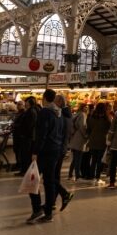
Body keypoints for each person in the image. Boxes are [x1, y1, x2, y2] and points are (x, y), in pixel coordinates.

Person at [27, 89, 70, 224]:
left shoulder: (45, 112)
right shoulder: (59, 113)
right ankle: (48, 214)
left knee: (32, 180)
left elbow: (42, 134)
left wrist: (35, 152)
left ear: (45, 98)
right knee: (50, 182)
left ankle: (36, 209)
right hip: (55, 151)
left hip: (44, 151)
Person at [12, 96, 38, 176]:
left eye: (26, 102)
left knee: (25, 155)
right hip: (27, 136)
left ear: (29, 103)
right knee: (24, 155)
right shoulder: (30, 111)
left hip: (27, 137)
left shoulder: (31, 112)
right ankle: (23, 170)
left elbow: (28, 125)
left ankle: (24, 171)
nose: (25, 104)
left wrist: (19, 128)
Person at [86, 102, 110, 182]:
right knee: (100, 160)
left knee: (93, 160)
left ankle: (92, 175)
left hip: (92, 141)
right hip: (102, 141)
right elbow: (110, 129)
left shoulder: (91, 118)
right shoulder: (106, 119)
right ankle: (97, 176)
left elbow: (88, 129)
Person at [67, 102, 88, 181]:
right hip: (79, 138)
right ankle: (77, 176)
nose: (87, 109)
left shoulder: (76, 114)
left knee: (75, 158)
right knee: (78, 158)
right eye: (85, 107)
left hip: (74, 138)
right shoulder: (82, 115)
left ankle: (70, 174)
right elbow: (82, 126)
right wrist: (85, 135)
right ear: (83, 108)